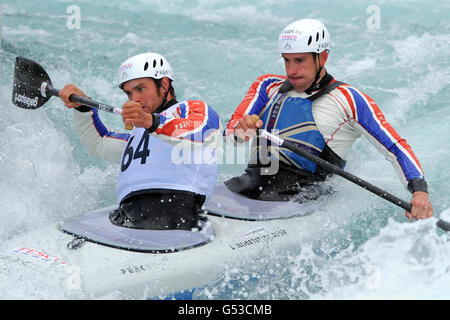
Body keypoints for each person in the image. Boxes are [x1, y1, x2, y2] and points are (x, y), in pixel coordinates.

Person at [224, 19, 432, 221]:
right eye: (286, 60)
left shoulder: (350, 100)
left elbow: (395, 147)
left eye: (300, 60)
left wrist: (419, 191)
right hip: (246, 184)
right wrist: (242, 130)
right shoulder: (267, 86)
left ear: (322, 58)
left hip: (298, 201)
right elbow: (231, 137)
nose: (290, 70)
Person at [59, 52, 222, 230]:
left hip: (178, 212)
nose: (134, 98)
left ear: (164, 85)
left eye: (141, 89)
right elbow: (100, 143)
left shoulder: (191, 109)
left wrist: (151, 122)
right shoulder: (139, 135)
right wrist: (83, 107)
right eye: (129, 93)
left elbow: (198, 129)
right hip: (127, 215)